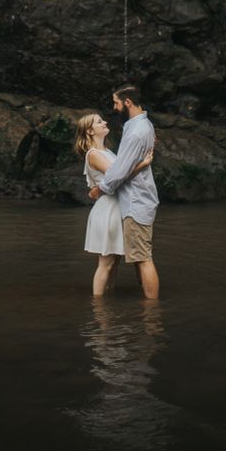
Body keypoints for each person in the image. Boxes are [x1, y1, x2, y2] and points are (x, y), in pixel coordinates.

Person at [88, 84, 160, 299]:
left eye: (116, 102)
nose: (114, 107)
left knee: (143, 258)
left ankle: (152, 311)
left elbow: (120, 170)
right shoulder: (143, 126)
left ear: (127, 102)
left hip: (136, 201)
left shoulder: (136, 132)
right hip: (140, 199)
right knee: (140, 256)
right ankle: (149, 309)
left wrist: (100, 189)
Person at [74, 112, 153, 296]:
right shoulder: (93, 154)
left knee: (114, 262)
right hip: (108, 210)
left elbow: (122, 170)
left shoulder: (108, 152)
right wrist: (143, 164)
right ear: (90, 131)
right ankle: (99, 308)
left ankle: (108, 301)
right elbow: (117, 177)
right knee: (106, 263)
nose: (105, 122)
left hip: (118, 207)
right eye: (99, 121)